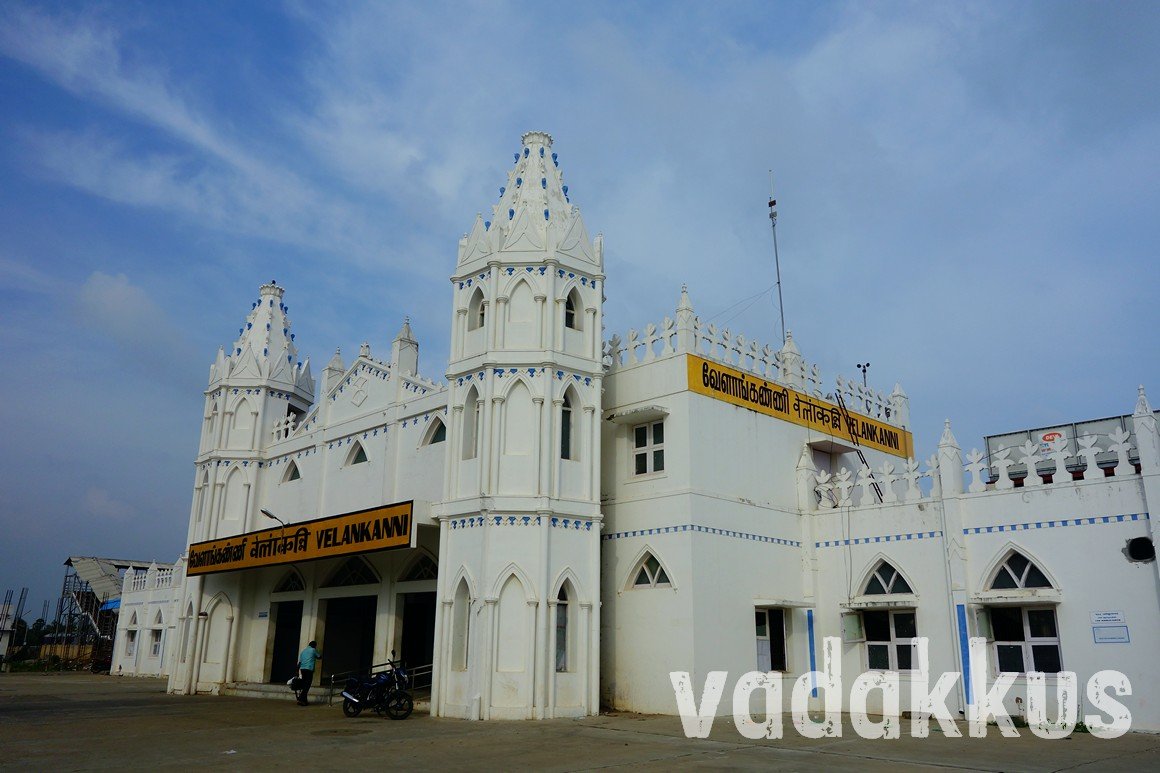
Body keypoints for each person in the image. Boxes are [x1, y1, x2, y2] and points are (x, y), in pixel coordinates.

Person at [297, 640, 322, 706]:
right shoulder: (313, 650)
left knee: (304, 684)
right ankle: (301, 699)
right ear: (314, 645)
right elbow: (319, 657)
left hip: (302, 669)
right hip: (309, 669)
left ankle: (304, 701)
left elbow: (299, 662)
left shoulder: (303, 651)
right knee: (307, 685)